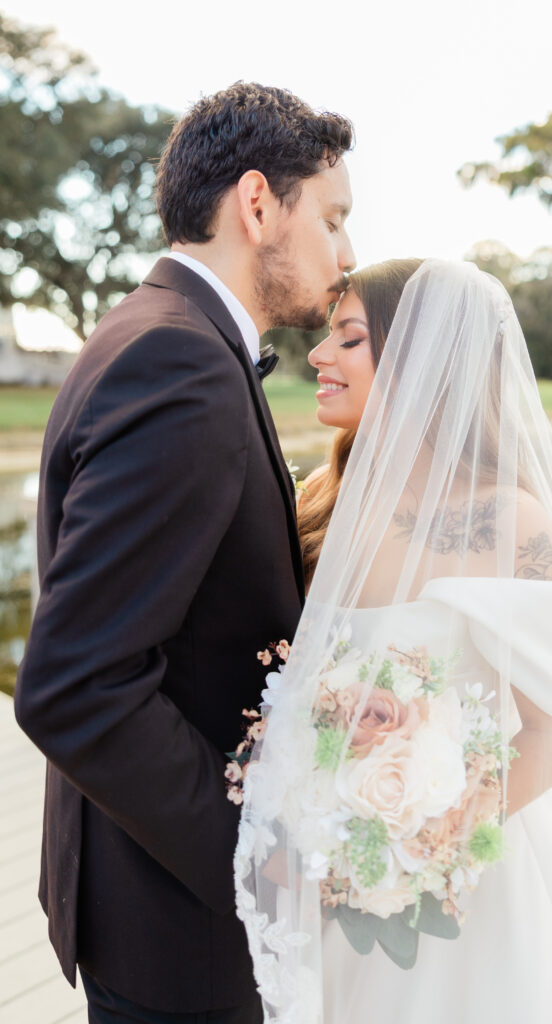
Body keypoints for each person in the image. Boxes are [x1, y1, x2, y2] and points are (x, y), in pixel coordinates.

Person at [234, 259, 552, 1022]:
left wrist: (422, 843)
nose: (316, 355)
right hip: (320, 876)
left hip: (466, 882)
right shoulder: (315, 501)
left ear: (421, 366)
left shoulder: (510, 522)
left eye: (349, 339)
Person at [14, 82, 355, 1023]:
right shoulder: (181, 364)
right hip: (183, 926)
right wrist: (259, 864)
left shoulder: (153, 334)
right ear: (257, 204)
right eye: (331, 219)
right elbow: (76, 684)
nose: (347, 254)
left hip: (145, 904)